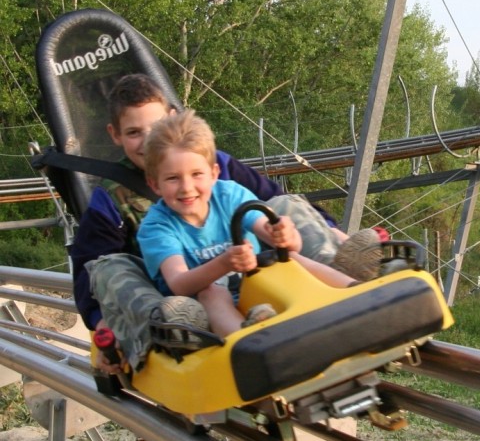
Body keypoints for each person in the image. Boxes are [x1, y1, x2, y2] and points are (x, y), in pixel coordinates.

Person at [70, 74, 383, 371]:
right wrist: (100, 320)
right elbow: (90, 264)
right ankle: (175, 327)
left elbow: (269, 204)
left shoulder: (215, 165)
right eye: (134, 132)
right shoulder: (115, 199)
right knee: (109, 267)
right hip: (182, 290)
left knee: (283, 208)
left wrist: (319, 231)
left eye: (157, 126)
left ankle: (348, 273)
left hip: (251, 271)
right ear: (116, 135)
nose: (149, 139)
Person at [138, 110, 356, 336]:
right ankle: (253, 341)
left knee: (287, 258)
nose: (186, 187)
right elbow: (179, 284)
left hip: (258, 288)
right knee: (211, 292)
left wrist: (283, 234)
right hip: (208, 312)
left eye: (196, 174)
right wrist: (225, 263)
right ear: (155, 184)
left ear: (214, 173)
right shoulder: (157, 226)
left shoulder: (229, 195)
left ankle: (357, 292)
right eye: (173, 178)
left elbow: (283, 243)